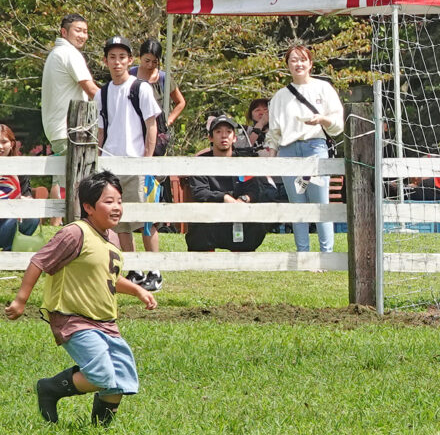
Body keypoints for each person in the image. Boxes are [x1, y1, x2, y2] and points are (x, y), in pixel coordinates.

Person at [5, 170, 157, 426]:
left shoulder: (111, 239)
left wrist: (138, 290)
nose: (117, 207)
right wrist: (21, 300)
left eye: (119, 201)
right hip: (74, 319)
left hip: (106, 322)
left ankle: (99, 432)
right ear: (88, 206)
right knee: (101, 375)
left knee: (120, 377)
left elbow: (108, 278)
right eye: (108, 202)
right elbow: (39, 261)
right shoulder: (75, 233)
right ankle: (50, 388)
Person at [97, 36, 164, 291]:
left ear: (130, 60)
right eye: (112, 57)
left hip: (137, 162)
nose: (117, 62)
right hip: (111, 164)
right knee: (120, 220)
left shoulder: (141, 88)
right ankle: (134, 268)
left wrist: (146, 161)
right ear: (105, 61)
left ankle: (154, 270)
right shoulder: (102, 93)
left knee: (146, 219)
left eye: (122, 57)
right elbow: (101, 131)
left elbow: (151, 126)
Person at [266, 44, 345, 254]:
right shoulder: (280, 96)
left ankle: (326, 255)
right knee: (297, 205)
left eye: (302, 59)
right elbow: (274, 132)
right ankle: (303, 255)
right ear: (287, 65)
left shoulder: (323, 88)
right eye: (293, 60)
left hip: (315, 149)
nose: (298, 64)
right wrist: (269, 160)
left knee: (320, 204)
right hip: (288, 152)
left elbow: (338, 124)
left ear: (310, 63)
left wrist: (322, 119)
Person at [183, 115, 271, 253]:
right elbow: (199, 192)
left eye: (228, 132)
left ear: (234, 137)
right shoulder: (200, 162)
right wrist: (224, 198)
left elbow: (256, 190)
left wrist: (244, 199)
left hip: (239, 216)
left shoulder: (244, 161)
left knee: (256, 224)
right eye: (218, 132)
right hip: (211, 217)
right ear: (210, 138)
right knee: (198, 227)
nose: (224, 136)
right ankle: (206, 258)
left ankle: (242, 254)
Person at [40, 14, 98, 196]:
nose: (82, 35)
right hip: (69, 130)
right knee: (78, 183)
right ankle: (72, 222)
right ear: (64, 32)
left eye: (85, 32)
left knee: (64, 180)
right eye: (78, 30)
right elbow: (91, 89)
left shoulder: (56, 54)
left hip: (60, 130)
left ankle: (63, 221)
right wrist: (118, 105)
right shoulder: (69, 53)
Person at [0, 125, 45, 250]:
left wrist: (24, 200)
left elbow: (28, 197)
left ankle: (11, 250)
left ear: (12, 144)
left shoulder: (20, 167)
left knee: (32, 217)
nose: (0, 147)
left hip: (9, 223)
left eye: (4, 142)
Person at [136, 38, 186, 132]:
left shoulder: (164, 78)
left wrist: (168, 121)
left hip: (157, 131)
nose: (150, 65)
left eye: (155, 62)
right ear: (140, 57)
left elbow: (181, 102)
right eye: (147, 61)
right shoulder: (131, 75)